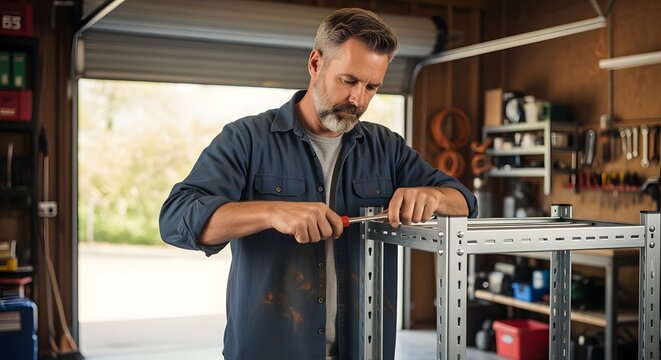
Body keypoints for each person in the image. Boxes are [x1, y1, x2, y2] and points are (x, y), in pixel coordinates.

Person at [159, 7, 477, 360]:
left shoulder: (386, 147)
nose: (359, 99)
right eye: (349, 81)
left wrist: (432, 195)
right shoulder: (247, 139)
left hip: (364, 350)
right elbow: (175, 219)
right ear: (315, 64)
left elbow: (464, 201)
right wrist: (272, 212)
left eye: (372, 87)